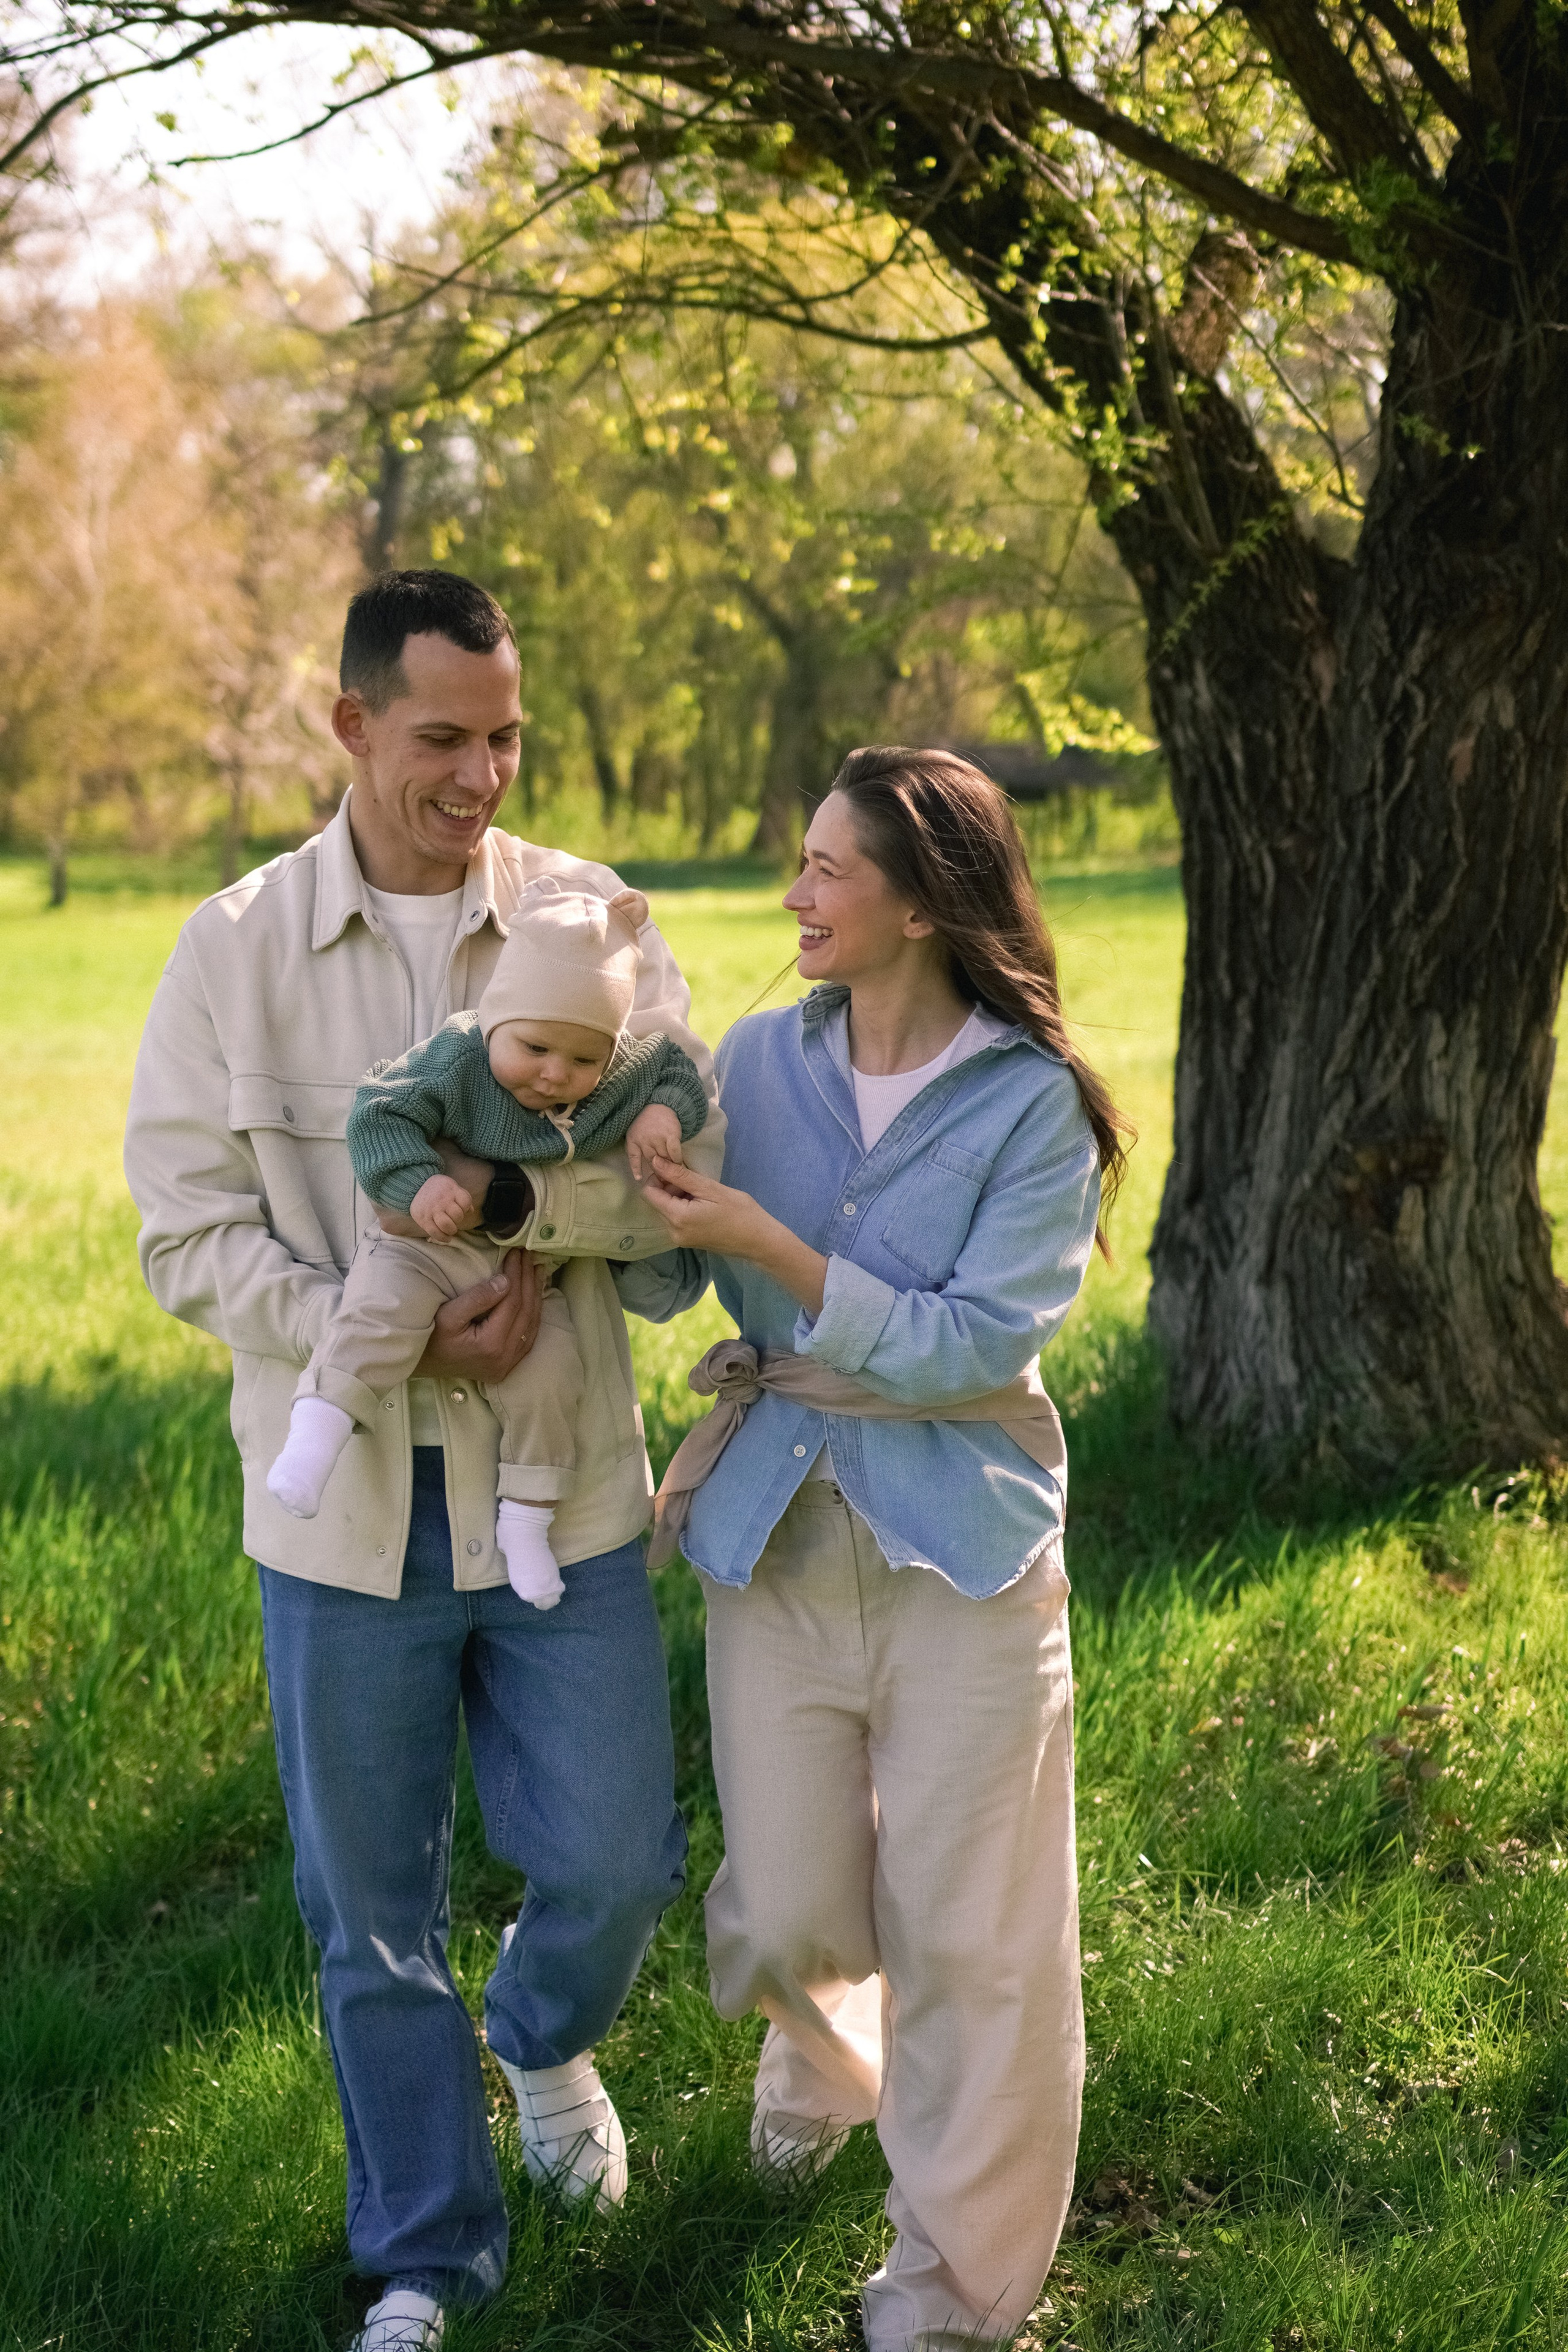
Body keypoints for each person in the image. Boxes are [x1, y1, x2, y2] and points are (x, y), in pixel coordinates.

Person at [124, 569, 723, 2352]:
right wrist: (363, 1322)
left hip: (573, 1498)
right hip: (343, 1515)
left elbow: (674, 1178)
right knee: (367, 1912)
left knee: (619, 1855)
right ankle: (424, 2252)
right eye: (442, 737)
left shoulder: (589, 920)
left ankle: (540, 2039)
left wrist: (522, 1212)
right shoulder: (231, 945)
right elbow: (181, 1235)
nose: (480, 775)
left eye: (505, 736)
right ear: (350, 724)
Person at [628, 746, 1129, 2352]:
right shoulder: (760, 1058)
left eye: (830, 869)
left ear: (922, 903)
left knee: (973, 1944)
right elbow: (657, 1277)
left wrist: (772, 1246)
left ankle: (948, 2301)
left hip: (964, 1545)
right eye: (800, 862)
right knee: (785, 1909)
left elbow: (974, 1346)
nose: (797, 894)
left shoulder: (1031, 1103)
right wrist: (631, 1176)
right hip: (771, 1521)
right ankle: (828, 2057)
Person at [265, 878, 707, 1607]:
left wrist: (660, 1112)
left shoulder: (621, 1069)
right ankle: (317, 1435)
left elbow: (676, 1075)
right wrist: (419, 1186)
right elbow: (377, 1115)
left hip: (526, 1266)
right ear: (497, 1020)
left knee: (553, 1374)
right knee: (378, 1316)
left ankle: (526, 1521)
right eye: (534, 1048)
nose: (555, 1075)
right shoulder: (457, 1057)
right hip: (422, 1246)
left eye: (582, 1060)